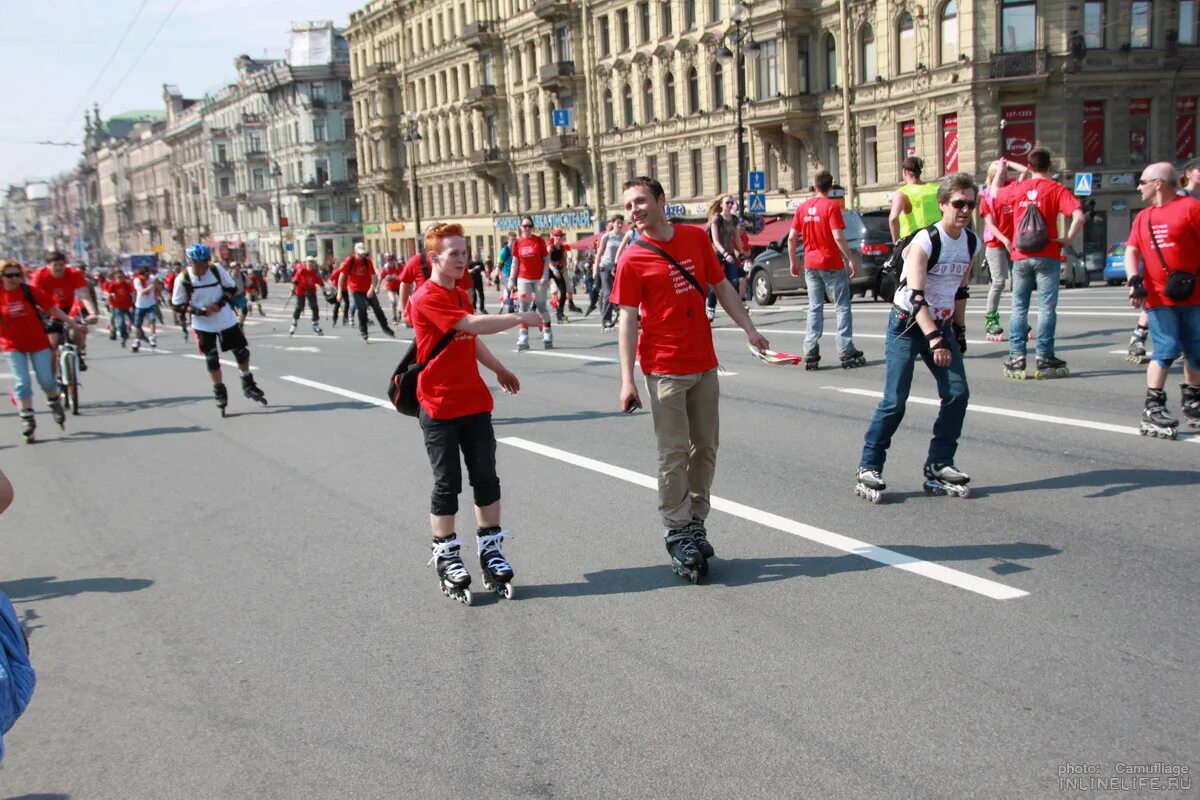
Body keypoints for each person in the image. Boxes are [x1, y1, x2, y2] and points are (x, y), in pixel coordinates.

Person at [612, 176, 769, 583]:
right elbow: (628, 319)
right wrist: (626, 379)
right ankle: (677, 528)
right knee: (673, 453)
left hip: (703, 362)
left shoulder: (696, 241)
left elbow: (722, 287)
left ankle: (696, 520)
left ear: (661, 200)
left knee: (707, 449)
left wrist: (749, 329)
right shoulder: (632, 258)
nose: (634, 211)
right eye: (628, 206)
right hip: (664, 367)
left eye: (641, 201)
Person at [409, 223, 543, 604]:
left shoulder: (461, 293)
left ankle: (490, 549)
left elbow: (469, 340)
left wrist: (498, 369)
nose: (462, 259)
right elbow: (469, 324)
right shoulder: (426, 297)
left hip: (475, 404)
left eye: (465, 252)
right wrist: (518, 317)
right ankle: (447, 556)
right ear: (435, 258)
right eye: (455, 254)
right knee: (447, 483)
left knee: (486, 477)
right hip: (438, 406)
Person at [855, 173, 980, 503]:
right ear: (942, 205)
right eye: (958, 203)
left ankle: (940, 463)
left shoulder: (971, 242)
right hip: (908, 325)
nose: (965, 209)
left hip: (941, 325)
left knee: (957, 393)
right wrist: (936, 340)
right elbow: (914, 297)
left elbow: (960, 291)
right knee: (895, 400)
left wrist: (959, 330)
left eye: (971, 204)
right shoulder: (925, 242)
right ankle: (869, 466)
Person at [990, 148, 1085, 379]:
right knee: (1046, 307)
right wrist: (1068, 239)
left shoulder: (1018, 188)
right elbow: (1079, 216)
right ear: (1050, 166)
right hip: (1048, 254)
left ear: (1029, 167)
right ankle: (1044, 357)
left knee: (1019, 307)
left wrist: (1003, 169)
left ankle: (1016, 356)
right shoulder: (1057, 189)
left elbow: (994, 193)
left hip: (1020, 256)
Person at [1122, 162, 1200, 437]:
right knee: (1166, 350)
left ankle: (1193, 402)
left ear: (1159, 183)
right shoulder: (1142, 217)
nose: (1139, 186)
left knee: (1196, 351)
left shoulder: (1191, 208)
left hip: (1194, 294)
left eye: (1143, 181)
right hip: (1158, 296)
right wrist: (1134, 281)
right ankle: (1153, 406)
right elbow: (1132, 251)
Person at [170, 244, 267, 415]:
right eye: (199, 264)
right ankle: (219, 391)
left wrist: (219, 303)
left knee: (242, 352)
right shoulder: (183, 278)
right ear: (191, 262)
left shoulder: (215, 270)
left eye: (205, 263)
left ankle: (247, 382)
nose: (203, 268)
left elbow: (231, 288)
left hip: (225, 318)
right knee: (212, 359)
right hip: (202, 324)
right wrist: (200, 311)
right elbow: (178, 306)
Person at [787, 170, 866, 369]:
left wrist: (793, 261)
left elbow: (791, 238)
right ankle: (845, 348)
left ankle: (810, 349)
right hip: (831, 263)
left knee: (815, 307)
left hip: (810, 264)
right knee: (841, 306)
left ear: (815, 185)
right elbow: (838, 237)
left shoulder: (803, 208)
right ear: (831, 187)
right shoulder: (831, 206)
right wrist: (851, 259)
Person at [0, 260, 75, 441]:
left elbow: (53, 309)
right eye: (9, 275)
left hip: (37, 342)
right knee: (22, 382)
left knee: (47, 381)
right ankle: (27, 420)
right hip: (12, 345)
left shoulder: (28, 291)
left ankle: (54, 401)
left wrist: (72, 323)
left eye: (17, 275)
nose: (14, 279)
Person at [29, 251, 98, 372]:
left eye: (61, 264)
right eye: (55, 265)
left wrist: (92, 312)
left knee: (77, 331)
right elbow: (33, 298)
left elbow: (84, 295)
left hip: (68, 309)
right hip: (47, 310)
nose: (59, 268)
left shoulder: (74, 273)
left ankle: (78, 354)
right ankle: (52, 380)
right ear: (48, 265)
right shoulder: (39, 275)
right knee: (53, 343)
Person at [979, 159, 1024, 341]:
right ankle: (991, 320)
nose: (1004, 176)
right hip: (996, 243)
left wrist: (1007, 162)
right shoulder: (986, 195)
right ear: (991, 174)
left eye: (1005, 173)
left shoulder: (1012, 187)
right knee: (999, 282)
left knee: (1018, 282)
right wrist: (1004, 239)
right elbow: (989, 223)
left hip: (1015, 243)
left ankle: (1019, 320)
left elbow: (1025, 171)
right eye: (1000, 173)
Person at [508, 216, 553, 350]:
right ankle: (523, 335)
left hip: (539, 278)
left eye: (529, 226)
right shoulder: (517, 243)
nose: (527, 228)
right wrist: (511, 279)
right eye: (524, 226)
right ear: (520, 227)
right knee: (523, 306)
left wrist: (545, 274)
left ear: (532, 227)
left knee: (541, 305)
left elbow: (546, 259)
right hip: (524, 278)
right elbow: (515, 262)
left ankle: (547, 332)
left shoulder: (538, 241)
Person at [337, 243, 395, 342]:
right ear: (355, 252)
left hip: (368, 288)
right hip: (356, 290)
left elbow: (374, 277)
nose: (362, 256)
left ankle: (385, 328)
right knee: (362, 308)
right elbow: (342, 277)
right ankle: (364, 331)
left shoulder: (367, 261)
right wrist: (339, 292)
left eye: (363, 253)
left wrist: (372, 289)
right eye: (359, 254)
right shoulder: (350, 261)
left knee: (377, 308)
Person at [704, 194, 745, 322]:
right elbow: (715, 240)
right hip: (717, 254)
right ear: (721, 205)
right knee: (716, 284)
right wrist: (724, 254)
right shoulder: (717, 218)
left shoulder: (734, 219)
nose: (730, 205)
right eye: (727, 203)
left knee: (734, 283)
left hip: (731, 255)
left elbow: (736, 238)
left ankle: (735, 313)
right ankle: (710, 309)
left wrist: (742, 254)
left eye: (731, 203)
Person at [889, 156, 941, 243]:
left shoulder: (903, 193)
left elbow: (893, 219)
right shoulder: (936, 189)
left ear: (905, 172)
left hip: (914, 241)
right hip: (937, 239)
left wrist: (896, 242)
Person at [593, 215, 624, 327]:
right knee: (608, 293)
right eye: (618, 223)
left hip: (617, 268)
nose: (620, 225)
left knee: (620, 292)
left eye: (621, 223)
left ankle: (619, 312)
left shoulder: (624, 237)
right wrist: (595, 268)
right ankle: (606, 319)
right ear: (613, 223)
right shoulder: (607, 236)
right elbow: (599, 252)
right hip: (605, 267)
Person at [288, 256, 325, 336]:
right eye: (309, 262)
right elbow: (294, 281)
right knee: (299, 306)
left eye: (312, 262)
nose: (311, 264)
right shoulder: (301, 270)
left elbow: (320, 282)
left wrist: (324, 291)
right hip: (301, 290)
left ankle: (315, 325)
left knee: (314, 307)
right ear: (305, 263)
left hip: (311, 290)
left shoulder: (315, 272)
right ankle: (293, 324)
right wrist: (292, 290)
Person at [101, 268, 134, 348]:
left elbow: (132, 293)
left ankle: (136, 334)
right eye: (118, 277)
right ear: (115, 277)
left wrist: (133, 303)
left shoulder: (126, 284)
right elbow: (108, 294)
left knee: (134, 321)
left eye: (121, 276)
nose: (120, 278)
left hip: (127, 305)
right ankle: (122, 336)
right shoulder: (113, 284)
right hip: (117, 306)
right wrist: (108, 303)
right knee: (120, 321)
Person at [130, 264, 160, 352]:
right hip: (140, 305)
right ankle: (137, 340)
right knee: (138, 325)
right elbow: (142, 292)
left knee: (152, 320)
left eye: (148, 274)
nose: (147, 277)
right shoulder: (137, 280)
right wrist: (152, 285)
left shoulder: (152, 278)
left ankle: (152, 337)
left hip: (151, 304)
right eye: (145, 275)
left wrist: (157, 284)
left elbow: (159, 288)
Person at [377, 252, 404, 322]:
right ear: (386, 260)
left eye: (392, 260)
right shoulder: (386, 268)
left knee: (403, 300)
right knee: (393, 301)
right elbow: (381, 278)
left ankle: (401, 313)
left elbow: (404, 275)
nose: (391, 262)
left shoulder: (398, 266)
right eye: (389, 260)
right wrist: (377, 287)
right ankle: (394, 317)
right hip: (390, 287)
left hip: (399, 286)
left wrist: (395, 277)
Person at [496, 232, 516, 313]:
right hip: (506, 274)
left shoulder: (516, 249)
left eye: (515, 239)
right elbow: (499, 264)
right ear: (508, 240)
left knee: (514, 291)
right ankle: (511, 308)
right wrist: (498, 275)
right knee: (512, 289)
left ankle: (505, 301)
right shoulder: (505, 250)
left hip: (514, 274)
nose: (513, 241)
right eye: (512, 239)